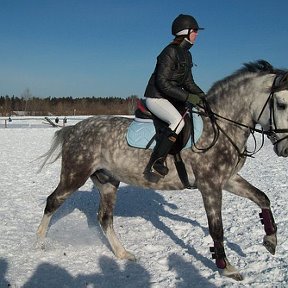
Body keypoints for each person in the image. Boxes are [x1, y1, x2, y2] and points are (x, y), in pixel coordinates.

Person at [144, 14, 206, 178]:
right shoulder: (170, 51)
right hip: (156, 97)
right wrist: (188, 97)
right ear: (185, 32)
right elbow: (162, 82)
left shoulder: (186, 54)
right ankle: (156, 162)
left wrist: (203, 96)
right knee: (177, 121)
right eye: (195, 31)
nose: (197, 34)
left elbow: (189, 82)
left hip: (170, 98)